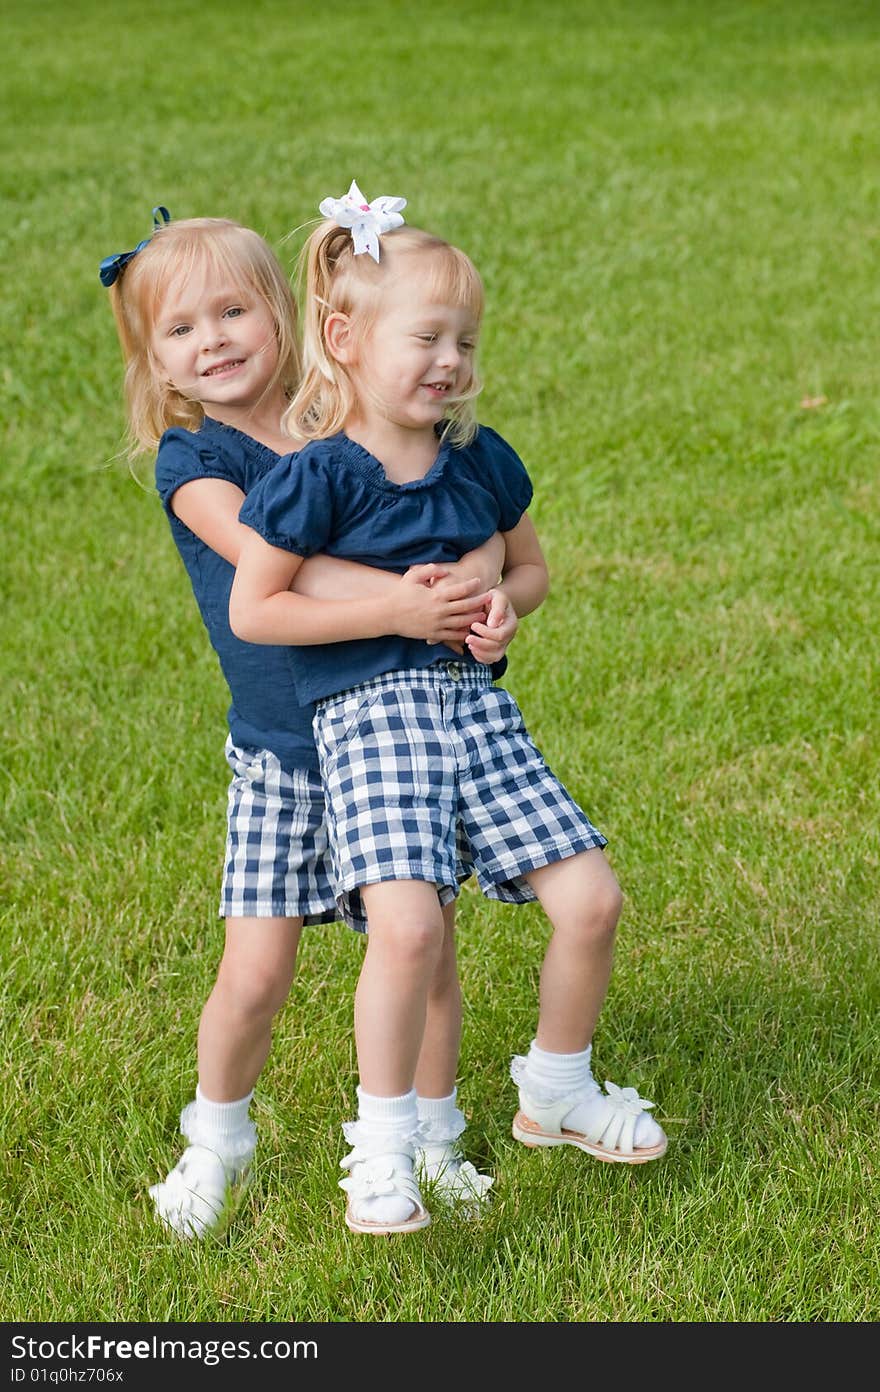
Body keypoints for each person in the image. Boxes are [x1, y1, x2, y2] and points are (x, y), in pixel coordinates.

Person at [229, 182, 668, 1237]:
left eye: (466, 342)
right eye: (427, 337)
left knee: (593, 900)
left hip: (478, 715)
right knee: (411, 929)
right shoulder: (320, 477)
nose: (451, 362)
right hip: (371, 721)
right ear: (343, 337)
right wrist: (392, 607)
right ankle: (382, 1150)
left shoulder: (481, 461)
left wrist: (501, 616)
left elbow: (531, 572)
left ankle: (556, 1089)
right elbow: (257, 607)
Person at [100, 206, 509, 1238]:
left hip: (392, 729)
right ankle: (217, 1141)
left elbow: (458, 500)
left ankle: (431, 1137)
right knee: (257, 969)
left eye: (235, 311)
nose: (215, 341)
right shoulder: (193, 464)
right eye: (182, 331)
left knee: (425, 949)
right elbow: (278, 568)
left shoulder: (341, 430)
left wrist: (474, 586)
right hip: (286, 755)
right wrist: (413, 602)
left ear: (288, 316)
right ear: (154, 359)